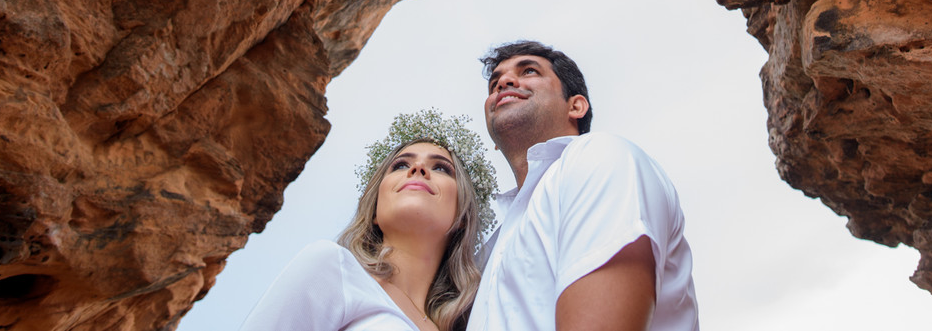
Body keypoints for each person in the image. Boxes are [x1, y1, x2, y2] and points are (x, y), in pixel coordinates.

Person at [466, 40, 701, 331]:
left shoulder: (600, 156)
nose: (504, 82)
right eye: (494, 84)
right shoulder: (490, 248)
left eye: (529, 71)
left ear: (576, 106)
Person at [240, 110, 495, 331]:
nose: (417, 169)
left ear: (463, 215)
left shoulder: (474, 322)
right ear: (374, 212)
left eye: (441, 168)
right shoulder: (331, 269)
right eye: (399, 165)